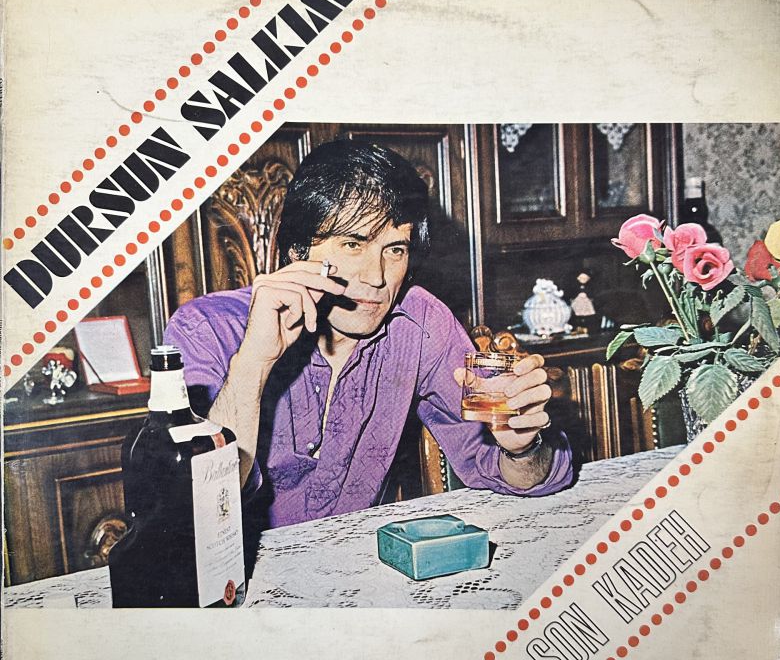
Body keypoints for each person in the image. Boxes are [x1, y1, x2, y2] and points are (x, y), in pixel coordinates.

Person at [163, 140, 573, 528]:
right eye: (352, 245)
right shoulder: (206, 328)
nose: (377, 277)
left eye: (394, 249)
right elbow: (197, 509)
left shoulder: (419, 321)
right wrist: (253, 363)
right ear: (297, 252)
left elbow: (526, 474)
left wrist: (524, 447)